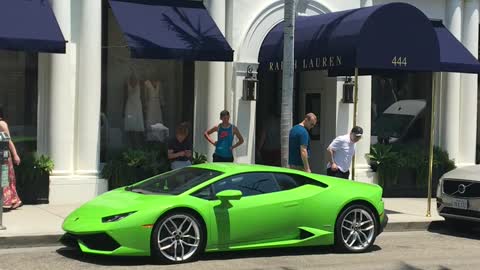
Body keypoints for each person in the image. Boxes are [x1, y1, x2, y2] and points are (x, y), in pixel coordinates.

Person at [0, 108, 22, 210]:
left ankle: (8, 202)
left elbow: (8, 140)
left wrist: (15, 155)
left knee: (5, 177)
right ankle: (14, 200)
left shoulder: (2, 124)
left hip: (3, 155)